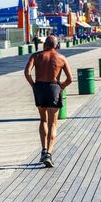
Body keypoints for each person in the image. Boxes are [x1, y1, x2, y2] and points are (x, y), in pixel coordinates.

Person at [24, 35, 73, 168]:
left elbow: (27, 72)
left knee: (43, 120)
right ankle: (49, 154)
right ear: (56, 46)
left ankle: (43, 150)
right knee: (53, 123)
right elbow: (70, 79)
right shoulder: (61, 58)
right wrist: (60, 87)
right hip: (53, 88)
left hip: (39, 87)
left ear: (44, 44)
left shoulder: (36, 56)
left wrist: (33, 85)